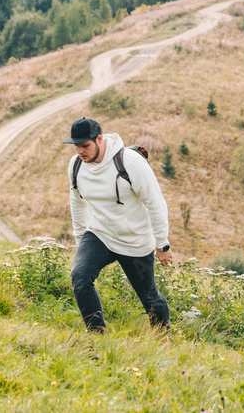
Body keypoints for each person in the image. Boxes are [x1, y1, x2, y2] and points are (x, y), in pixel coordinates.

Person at [64, 116, 171, 333]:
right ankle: (97, 335)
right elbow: (77, 203)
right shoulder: (76, 165)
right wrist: (80, 239)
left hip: (135, 240)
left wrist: (162, 244)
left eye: (85, 146)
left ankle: (163, 335)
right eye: (77, 147)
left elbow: (156, 203)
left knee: (149, 296)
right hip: (100, 234)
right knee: (80, 276)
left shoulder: (129, 162)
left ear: (100, 140)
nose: (80, 152)